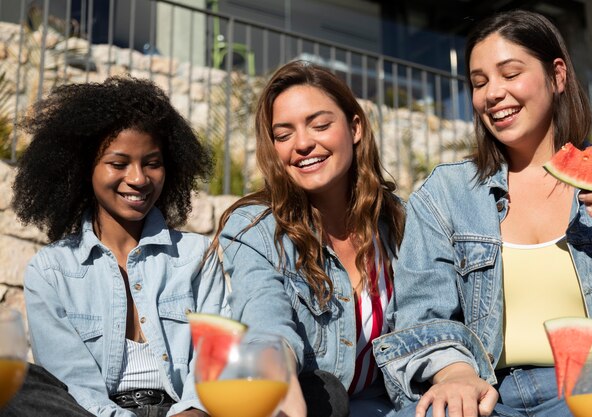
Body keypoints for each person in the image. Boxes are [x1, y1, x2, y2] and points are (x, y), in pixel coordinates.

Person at [374, 9, 592, 417]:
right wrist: (454, 373)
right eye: (479, 82)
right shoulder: (447, 193)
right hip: (490, 394)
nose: (492, 93)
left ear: (557, 76)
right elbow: (422, 313)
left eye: (510, 74)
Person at [11, 76, 224, 417]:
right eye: (118, 163)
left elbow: (215, 358)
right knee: (15, 380)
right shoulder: (51, 272)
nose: (138, 178)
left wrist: (194, 410)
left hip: (186, 412)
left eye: (152, 163)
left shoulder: (197, 257)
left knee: (311, 385)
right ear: (85, 169)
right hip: (92, 413)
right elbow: (74, 384)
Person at [213, 60, 405, 417]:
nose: (302, 144)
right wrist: (275, 371)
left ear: (355, 127)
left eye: (319, 125)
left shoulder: (399, 221)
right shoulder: (253, 228)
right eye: (283, 135)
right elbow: (263, 311)